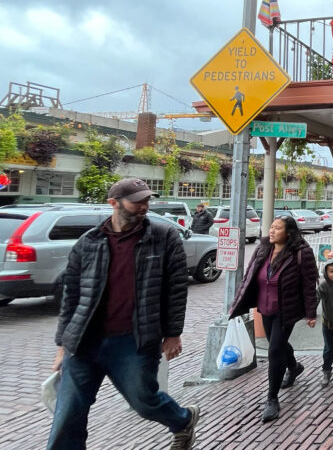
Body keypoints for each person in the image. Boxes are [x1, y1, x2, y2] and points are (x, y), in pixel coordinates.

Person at [47, 178, 199, 450]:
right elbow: (71, 295)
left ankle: (183, 419)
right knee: (67, 414)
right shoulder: (88, 242)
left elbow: (176, 288)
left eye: (146, 200)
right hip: (84, 342)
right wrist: (63, 344)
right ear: (114, 203)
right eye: (137, 201)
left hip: (134, 341)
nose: (144, 206)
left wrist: (173, 333)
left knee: (145, 402)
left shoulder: (164, 238)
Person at [228, 215, 318, 422]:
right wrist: (238, 302)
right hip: (265, 308)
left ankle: (272, 399)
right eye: (271, 227)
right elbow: (250, 275)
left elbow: (308, 284)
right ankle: (295, 367)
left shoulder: (301, 253)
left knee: (274, 350)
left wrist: (311, 313)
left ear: (289, 232)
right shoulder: (263, 248)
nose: (272, 230)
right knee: (277, 344)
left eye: (277, 228)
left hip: (286, 310)